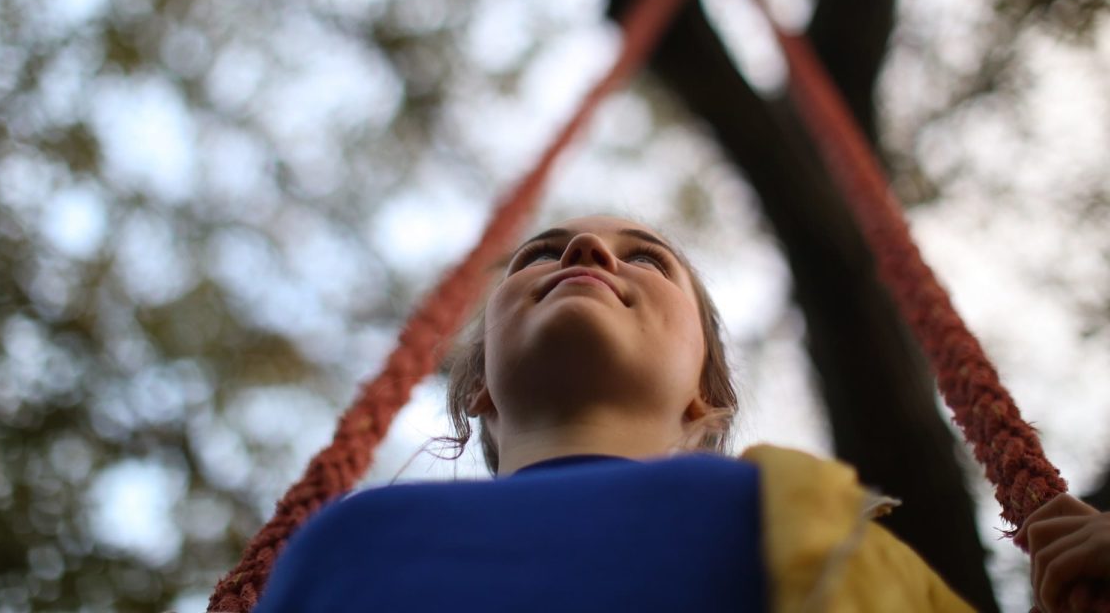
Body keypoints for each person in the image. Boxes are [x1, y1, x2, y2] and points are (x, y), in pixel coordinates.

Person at [254, 215, 1109, 612]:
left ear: (704, 391)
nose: (587, 250)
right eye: (539, 254)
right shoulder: (343, 545)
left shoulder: (809, 526)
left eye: (649, 260)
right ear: (478, 385)